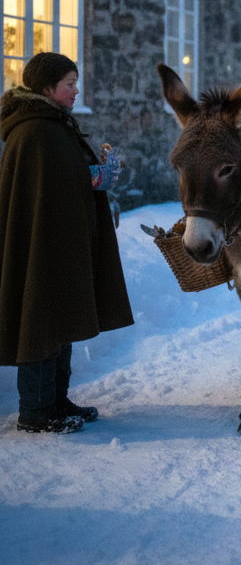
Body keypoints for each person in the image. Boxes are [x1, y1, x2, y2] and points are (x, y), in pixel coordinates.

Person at [0, 52, 134, 433]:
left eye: (76, 83)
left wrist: (97, 175)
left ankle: (57, 401)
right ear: (47, 88)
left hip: (61, 243)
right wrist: (94, 177)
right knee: (41, 320)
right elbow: (52, 182)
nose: (76, 91)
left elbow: (66, 175)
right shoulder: (35, 131)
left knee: (60, 319)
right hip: (42, 247)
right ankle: (36, 411)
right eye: (69, 84)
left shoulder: (54, 123)